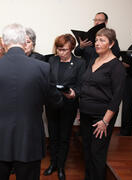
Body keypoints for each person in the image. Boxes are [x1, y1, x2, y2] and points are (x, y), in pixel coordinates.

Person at [0, 23, 63, 180]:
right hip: (30, 138)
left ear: (3, 42)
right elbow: (56, 102)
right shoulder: (42, 68)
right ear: (25, 41)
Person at [79, 28, 125, 180]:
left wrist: (105, 121)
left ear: (111, 44)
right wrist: (81, 110)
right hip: (85, 114)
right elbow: (86, 87)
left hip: (101, 118)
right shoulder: (94, 60)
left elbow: (117, 97)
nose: (97, 43)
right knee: (86, 151)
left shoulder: (116, 66)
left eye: (102, 40)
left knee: (97, 153)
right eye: (97, 40)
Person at [43, 34, 85, 180]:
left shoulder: (79, 63)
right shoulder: (51, 60)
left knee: (64, 137)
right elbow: (47, 82)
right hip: (52, 104)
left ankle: (61, 166)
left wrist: (74, 93)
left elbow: (81, 85)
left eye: (64, 50)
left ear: (71, 48)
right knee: (53, 136)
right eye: (59, 49)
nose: (61, 52)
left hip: (69, 105)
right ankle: (53, 164)